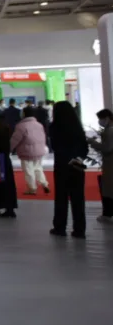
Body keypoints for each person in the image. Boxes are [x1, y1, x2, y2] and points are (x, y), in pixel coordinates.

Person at [48, 100, 89, 238]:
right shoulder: (78, 127)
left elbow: (55, 146)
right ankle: (79, 229)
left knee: (61, 197)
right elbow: (85, 148)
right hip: (77, 165)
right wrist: (77, 157)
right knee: (78, 198)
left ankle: (60, 227)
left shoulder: (55, 127)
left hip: (62, 165)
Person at [11, 106, 50, 195]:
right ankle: (44, 184)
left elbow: (15, 140)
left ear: (24, 114)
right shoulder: (39, 124)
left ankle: (32, 188)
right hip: (39, 150)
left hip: (26, 151)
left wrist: (9, 148)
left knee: (29, 170)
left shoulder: (21, 126)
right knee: (38, 168)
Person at [89, 109, 113, 222]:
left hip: (110, 163)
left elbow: (107, 148)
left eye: (100, 119)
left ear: (107, 118)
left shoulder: (110, 131)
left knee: (108, 189)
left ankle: (107, 214)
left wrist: (92, 142)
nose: (100, 121)